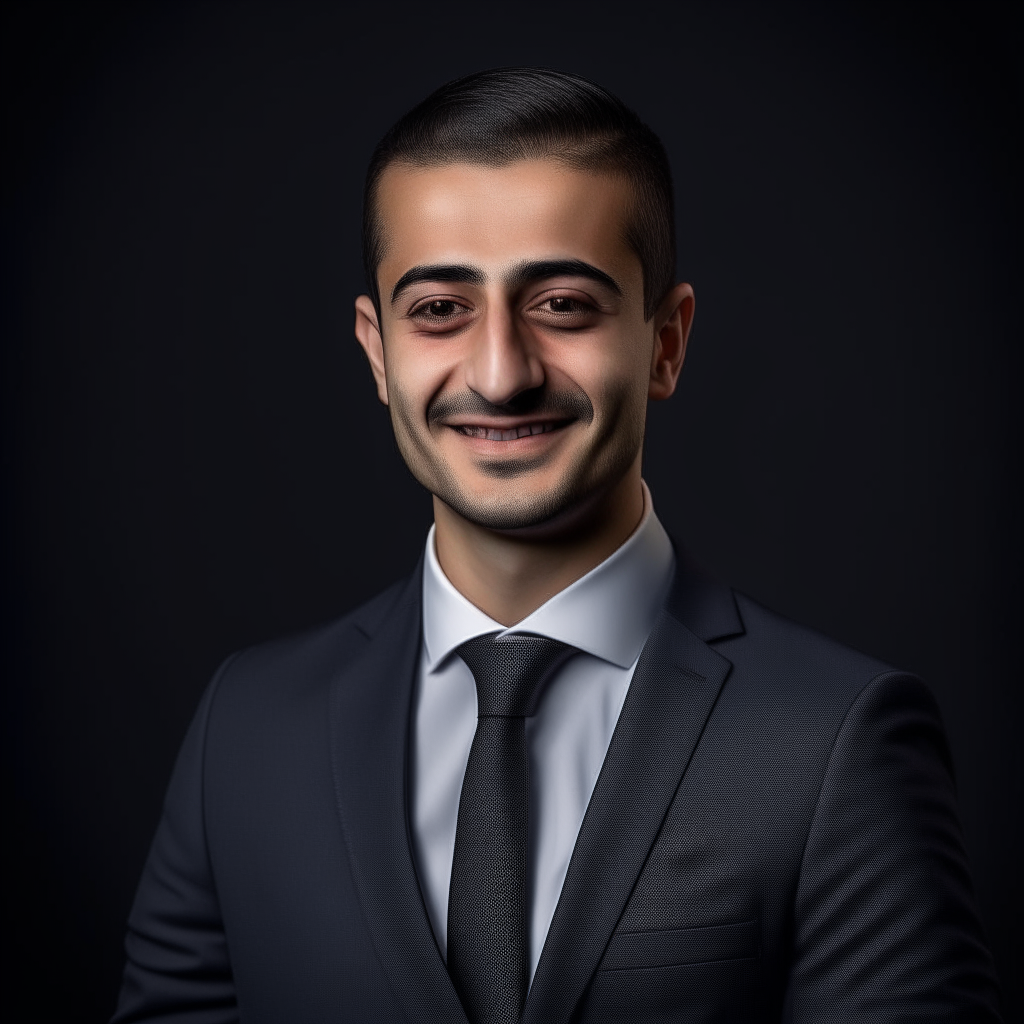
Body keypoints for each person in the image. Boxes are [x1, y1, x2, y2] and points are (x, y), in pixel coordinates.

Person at [112, 68, 1001, 1024]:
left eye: (563, 305)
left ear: (666, 342)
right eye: (440, 309)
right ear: (377, 351)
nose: (499, 375)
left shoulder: (838, 742)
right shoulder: (244, 732)